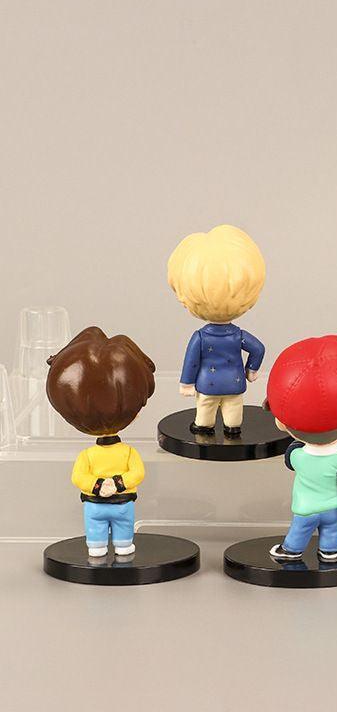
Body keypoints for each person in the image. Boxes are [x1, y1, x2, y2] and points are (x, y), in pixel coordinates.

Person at [46, 327, 155, 557]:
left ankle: (104, 546)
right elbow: (136, 473)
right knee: (114, 535)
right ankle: (110, 546)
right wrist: (114, 484)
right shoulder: (126, 452)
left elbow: (79, 477)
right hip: (117, 503)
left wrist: (103, 485)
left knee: (106, 534)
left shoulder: (88, 455)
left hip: (101, 503)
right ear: (136, 411)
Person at [266, 335, 337, 561]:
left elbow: (290, 457)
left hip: (305, 508)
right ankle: (329, 551)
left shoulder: (298, 456)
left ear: (280, 423)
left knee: (299, 531)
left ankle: (291, 550)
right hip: (333, 508)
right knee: (332, 531)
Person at [168, 224, 266, 437]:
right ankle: (232, 427)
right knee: (234, 406)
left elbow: (192, 361)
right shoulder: (239, 335)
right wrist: (251, 369)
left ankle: (204, 426)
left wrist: (187, 383)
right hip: (234, 381)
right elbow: (258, 348)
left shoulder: (200, 337)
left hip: (208, 383)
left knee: (205, 406)